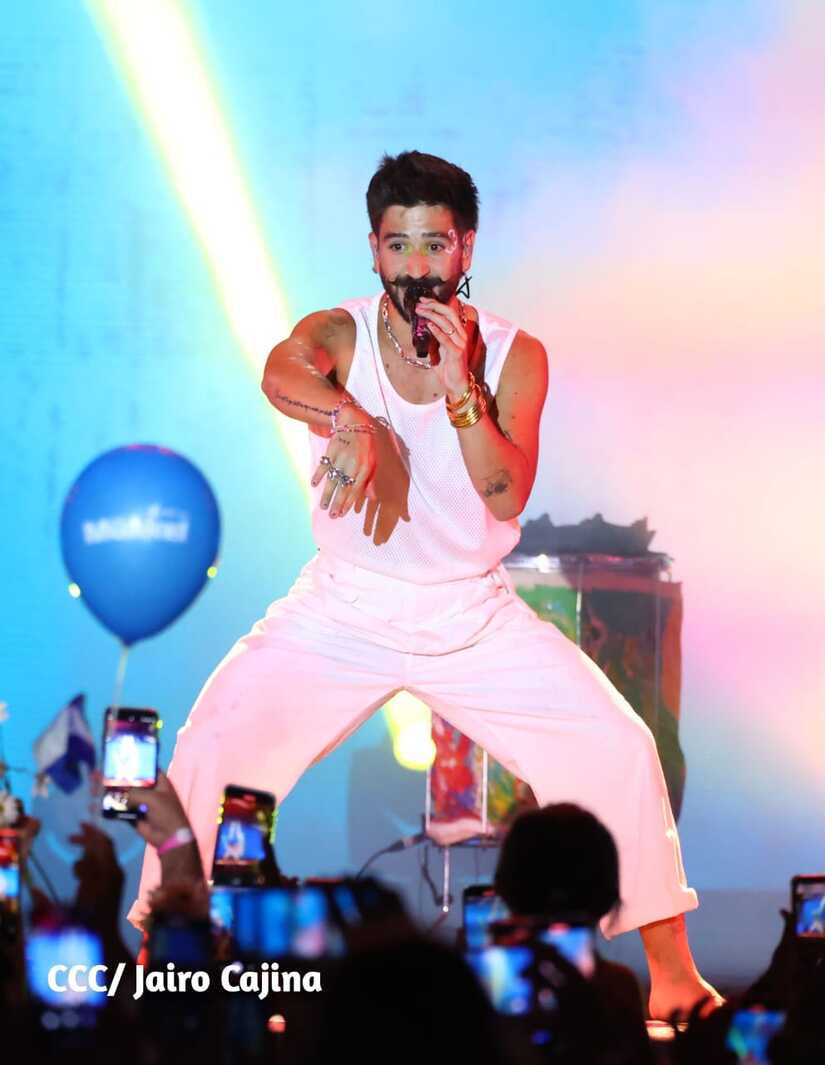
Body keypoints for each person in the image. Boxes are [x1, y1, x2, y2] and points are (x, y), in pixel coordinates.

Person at [127, 149, 719, 1019]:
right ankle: (163, 952)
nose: (414, 266)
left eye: (433, 245)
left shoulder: (515, 354)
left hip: (468, 611)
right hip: (342, 605)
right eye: (397, 245)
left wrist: (459, 391)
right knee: (216, 740)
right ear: (374, 249)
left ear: (464, 248)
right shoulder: (340, 331)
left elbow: (504, 494)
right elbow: (279, 371)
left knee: (617, 749)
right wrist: (351, 417)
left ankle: (671, 973)